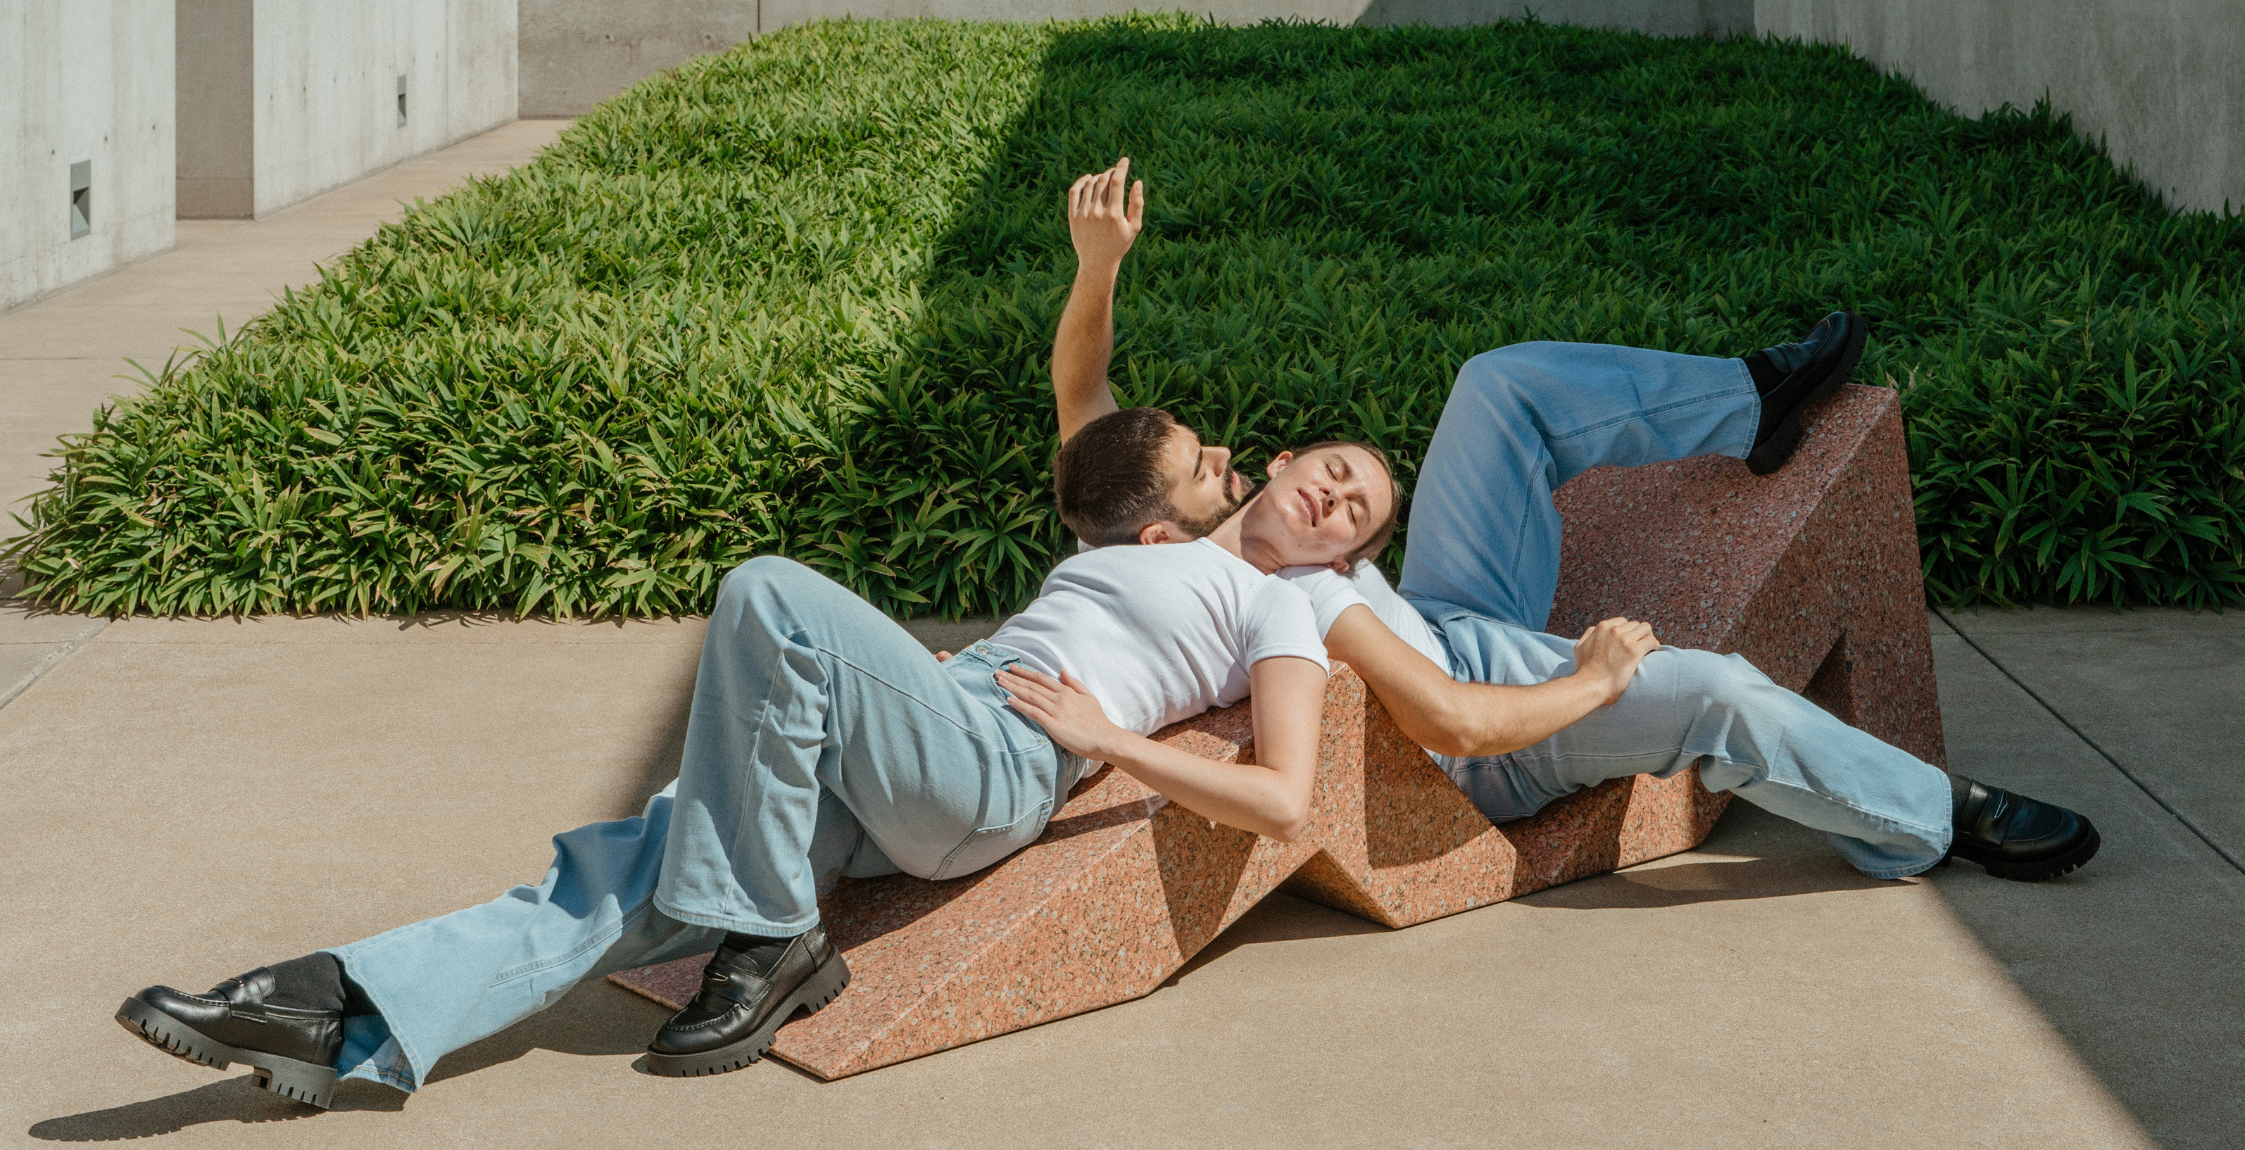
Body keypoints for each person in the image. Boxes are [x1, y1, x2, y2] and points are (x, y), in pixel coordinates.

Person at [114, 421, 1404, 1107]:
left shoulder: (1281, 608)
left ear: (1339, 556)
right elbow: (1092, 411)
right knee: (629, 877)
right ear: (1282, 459)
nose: (1339, 500)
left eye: (1359, 516)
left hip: (994, 762)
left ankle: (777, 934)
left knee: (772, 595)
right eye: (1335, 471)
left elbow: (1286, 797)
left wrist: (1108, 741)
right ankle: (347, 1007)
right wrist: (1096, 265)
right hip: (910, 731)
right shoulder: (1158, 529)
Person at [1048, 157, 2100, 886]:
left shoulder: (1169, 506)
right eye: (1201, 465)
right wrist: (1591, 681)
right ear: (1159, 536)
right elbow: (1453, 723)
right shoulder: (1240, 592)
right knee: (1718, 689)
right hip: (1498, 722)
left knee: (1497, 388)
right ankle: (1933, 816)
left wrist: (1098, 266)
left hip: (1446, 611)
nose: (1220, 453)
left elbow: (1086, 402)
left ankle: (1753, 399)